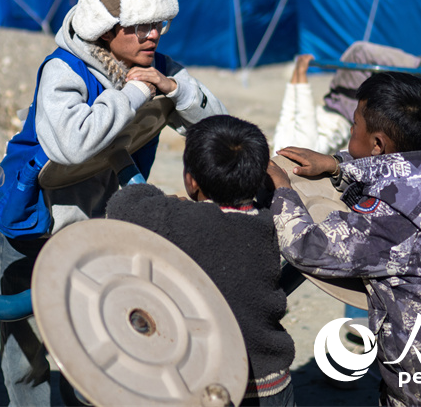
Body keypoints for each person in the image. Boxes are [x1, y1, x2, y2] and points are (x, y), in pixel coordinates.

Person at [0, 0, 227, 405]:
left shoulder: (155, 66)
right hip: (35, 219)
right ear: (105, 29)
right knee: (23, 344)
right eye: (139, 28)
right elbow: (71, 146)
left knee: (93, 330)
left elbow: (220, 126)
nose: (152, 36)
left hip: (102, 221)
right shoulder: (63, 70)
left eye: (157, 24)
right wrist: (135, 95)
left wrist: (174, 89)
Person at [267, 72, 421, 407]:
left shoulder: (386, 223)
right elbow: (399, 173)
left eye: (355, 126)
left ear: (378, 143)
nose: (351, 131)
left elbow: (307, 248)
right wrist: (339, 167)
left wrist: (282, 189)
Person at [106, 115, 295, 406]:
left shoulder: (178, 218)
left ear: (191, 181)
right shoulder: (272, 221)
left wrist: (165, 200)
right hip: (271, 383)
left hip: (207, 386)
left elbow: (123, 206)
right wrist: (282, 188)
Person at [272, 41, 421, 155]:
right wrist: (301, 73)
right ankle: (420, 69)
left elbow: (287, 115)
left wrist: (296, 75)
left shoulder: (280, 147)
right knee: (359, 53)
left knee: (362, 62)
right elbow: (304, 117)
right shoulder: (295, 151)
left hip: (333, 106)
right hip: (341, 112)